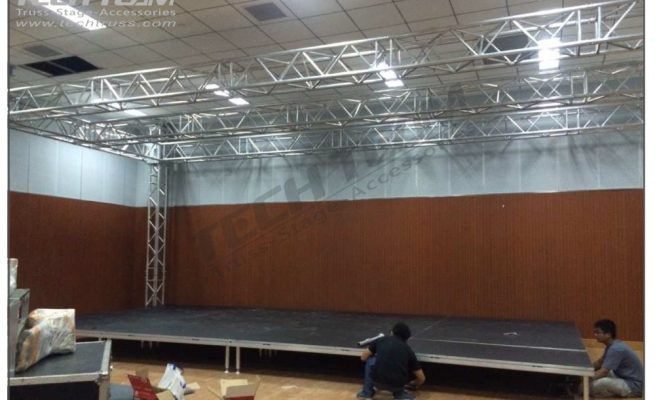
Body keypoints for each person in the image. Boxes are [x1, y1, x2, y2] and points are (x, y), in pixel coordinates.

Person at [356, 322, 426, 400]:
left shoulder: (381, 340)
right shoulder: (408, 350)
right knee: (403, 363)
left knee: (371, 358)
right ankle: (401, 395)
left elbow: (363, 357)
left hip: (377, 382)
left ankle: (366, 393)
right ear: (407, 338)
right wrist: (412, 383)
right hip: (397, 386)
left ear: (392, 332)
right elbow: (422, 378)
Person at [583, 319, 643, 398]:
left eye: (598, 332)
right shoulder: (612, 345)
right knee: (604, 374)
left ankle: (579, 389)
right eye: (594, 332)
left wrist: (584, 381)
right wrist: (584, 372)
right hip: (621, 376)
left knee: (602, 382)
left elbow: (603, 372)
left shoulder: (615, 349)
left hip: (633, 386)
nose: (595, 335)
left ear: (608, 334)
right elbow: (600, 362)